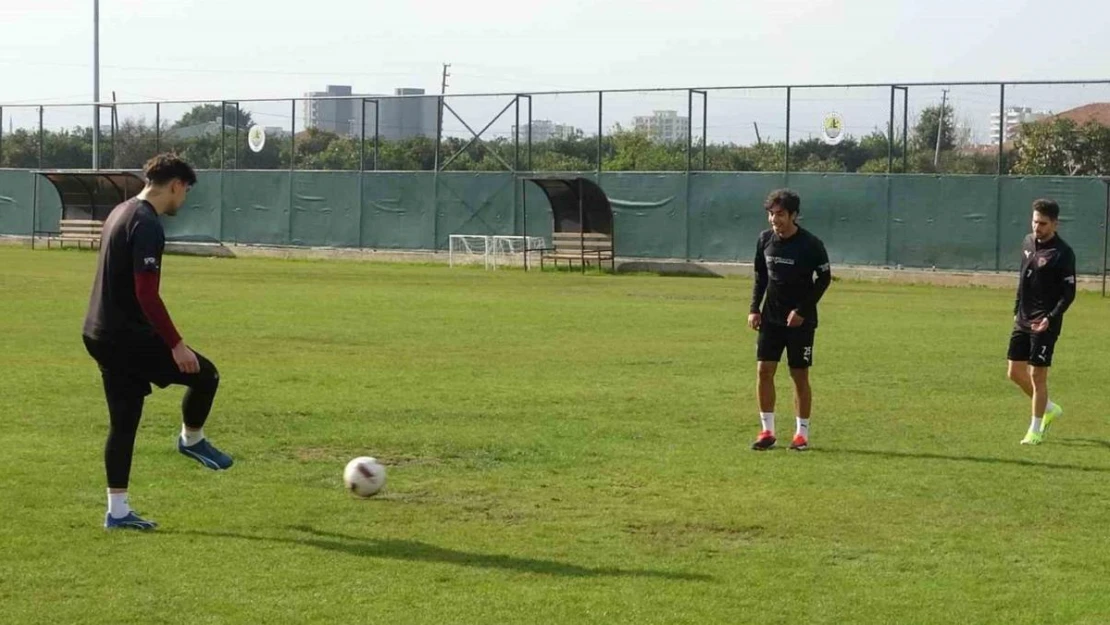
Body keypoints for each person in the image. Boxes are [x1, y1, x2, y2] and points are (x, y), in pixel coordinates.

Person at [82, 154, 233, 530]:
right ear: (176, 185)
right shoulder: (147, 223)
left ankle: (117, 512)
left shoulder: (121, 211)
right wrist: (176, 344)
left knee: (124, 422)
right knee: (205, 375)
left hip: (98, 332)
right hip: (125, 336)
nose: (183, 201)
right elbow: (147, 295)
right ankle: (192, 440)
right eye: (185, 193)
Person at [748, 189, 832, 452]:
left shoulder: (811, 244)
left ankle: (801, 435)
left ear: (794, 215)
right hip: (770, 319)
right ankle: (767, 432)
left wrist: (802, 311)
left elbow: (824, 279)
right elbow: (761, 276)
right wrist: (754, 308)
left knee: (799, 375)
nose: (774, 219)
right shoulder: (764, 240)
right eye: (771, 214)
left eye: (780, 214)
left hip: (800, 323)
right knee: (764, 371)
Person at [1007, 198, 1076, 446]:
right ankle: (1049, 408)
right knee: (1014, 372)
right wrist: (1017, 309)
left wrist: (1050, 318)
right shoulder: (1027, 243)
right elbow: (1023, 279)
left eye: (1043, 223)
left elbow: (1069, 294)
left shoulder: (1063, 254)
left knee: (1038, 376)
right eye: (1035, 221)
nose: (1038, 227)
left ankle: (1035, 430)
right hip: (1023, 318)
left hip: (1045, 323)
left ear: (1055, 224)